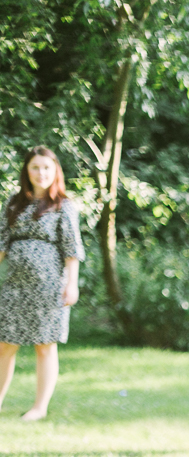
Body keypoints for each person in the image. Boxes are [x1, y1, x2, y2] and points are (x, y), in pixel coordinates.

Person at [0, 146, 84, 421]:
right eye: (35, 167)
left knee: (45, 345)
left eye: (47, 167)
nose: (41, 173)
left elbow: (72, 248)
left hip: (49, 287)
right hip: (14, 285)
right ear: (27, 171)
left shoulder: (64, 206)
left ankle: (39, 407)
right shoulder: (14, 204)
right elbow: (2, 244)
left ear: (55, 170)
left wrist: (72, 284)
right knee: (5, 344)